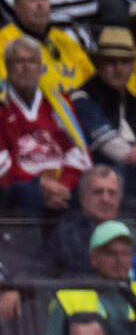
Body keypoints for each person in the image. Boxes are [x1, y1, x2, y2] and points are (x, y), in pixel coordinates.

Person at [0, 36, 90, 215]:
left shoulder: (60, 103)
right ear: (7, 68)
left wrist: (63, 186)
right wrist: (40, 185)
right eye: (18, 61)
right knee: (27, 195)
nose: (25, 67)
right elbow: (2, 164)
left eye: (31, 61)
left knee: (90, 193)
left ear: (41, 67)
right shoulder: (2, 106)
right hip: (19, 190)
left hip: (61, 187)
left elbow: (79, 153)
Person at [78, 28, 136, 182]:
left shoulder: (135, 102)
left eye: (125, 62)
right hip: (102, 177)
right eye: (111, 61)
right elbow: (110, 146)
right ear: (98, 64)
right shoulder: (83, 98)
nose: (119, 69)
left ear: (133, 66)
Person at [0, 0, 95, 94]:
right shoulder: (4, 42)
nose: (40, 5)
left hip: (78, 107)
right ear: (17, 6)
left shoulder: (63, 39)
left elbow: (92, 80)